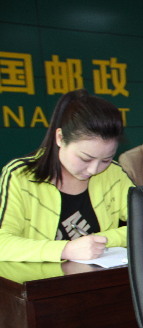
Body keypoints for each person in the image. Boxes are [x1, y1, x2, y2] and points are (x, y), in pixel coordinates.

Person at [0, 89, 133, 262]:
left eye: (106, 159)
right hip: (42, 278)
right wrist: (66, 249)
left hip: (99, 276)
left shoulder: (113, 174)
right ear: (60, 138)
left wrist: (100, 240)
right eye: (85, 158)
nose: (94, 170)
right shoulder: (21, 175)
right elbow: (2, 243)